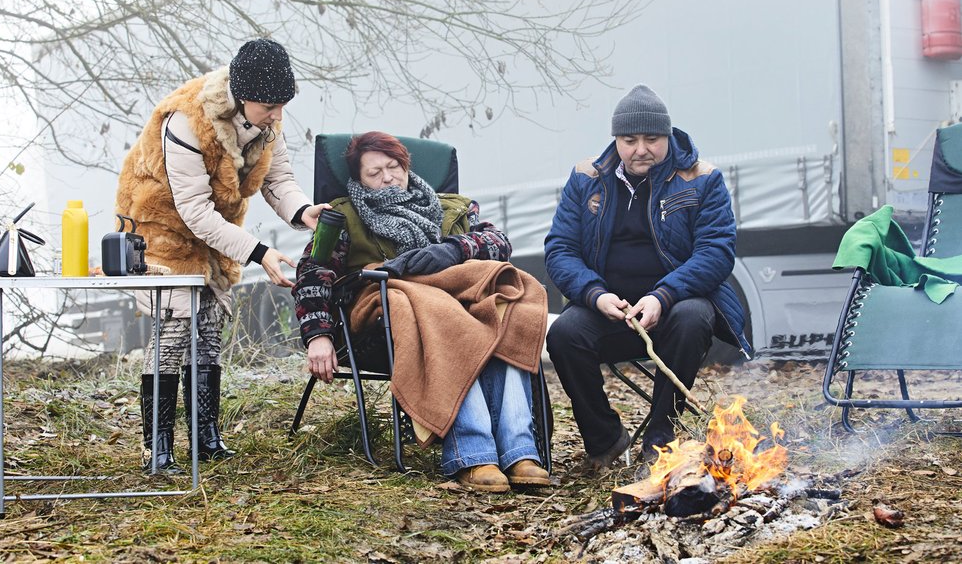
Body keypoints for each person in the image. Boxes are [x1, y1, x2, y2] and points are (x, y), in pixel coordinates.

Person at [292, 131, 551, 492]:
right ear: (358, 179)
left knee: (511, 302)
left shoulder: (453, 207)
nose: (387, 177)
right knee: (440, 310)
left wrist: (454, 249)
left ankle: (520, 451)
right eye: (374, 172)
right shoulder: (342, 216)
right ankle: (472, 452)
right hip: (382, 306)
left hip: (459, 297)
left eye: (393, 166)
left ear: (406, 165)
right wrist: (318, 335)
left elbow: (499, 242)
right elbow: (312, 273)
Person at [116, 38, 328, 473]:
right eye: (270, 106)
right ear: (242, 95)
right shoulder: (186, 122)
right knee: (175, 327)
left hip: (215, 227)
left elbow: (278, 179)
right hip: (161, 226)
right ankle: (156, 449)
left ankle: (205, 437)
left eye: (283, 106)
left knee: (209, 327)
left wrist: (303, 211)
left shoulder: (267, 122)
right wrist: (259, 252)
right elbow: (193, 210)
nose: (278, 116)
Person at [544, 84, 751, 468]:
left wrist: (662, 296)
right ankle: (605, 439)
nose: (641, 149)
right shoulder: (585, 178)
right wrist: (594, 294)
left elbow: (716, 252)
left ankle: (660, 438)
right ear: (616, 140)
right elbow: (560, 249)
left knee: (692, 316)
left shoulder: (702, 179)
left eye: (652, 139)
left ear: (668, 136)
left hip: (673, 311)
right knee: (564, 334)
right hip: (609, 309)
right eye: (629, 140)